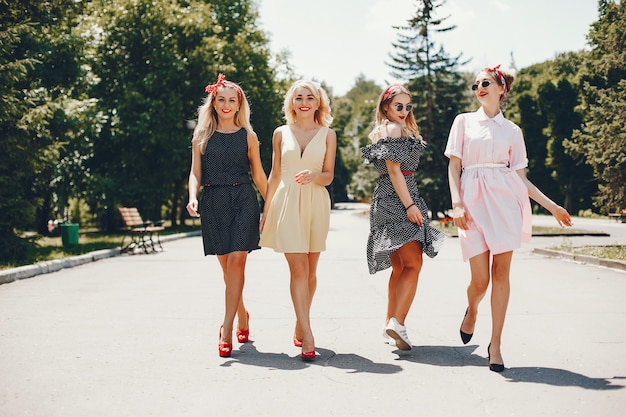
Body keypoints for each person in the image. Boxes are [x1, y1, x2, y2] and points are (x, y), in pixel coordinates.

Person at [445, 65, 572, 372]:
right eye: (476, 85)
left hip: (504, 204)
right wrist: (457, 204)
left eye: (485, 83)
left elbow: (520, 179)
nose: (479, 88)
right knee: (480, 280)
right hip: (472, 204)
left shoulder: (513, 131)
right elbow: (454, 167)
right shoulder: (463, 122)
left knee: (501, 274)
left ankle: (496, 344)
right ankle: (472, 309)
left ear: (502, 89)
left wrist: (553, 207)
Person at [187, 74, 267, 358]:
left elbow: (258, 174)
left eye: (231, 100)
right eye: (221, 99)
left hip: (243, 199)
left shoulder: (249, 136)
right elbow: (195, 172)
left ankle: (227, 326)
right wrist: (192, 196)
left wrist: (270, 204)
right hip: (213, 201)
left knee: (236, 263)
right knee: (227, 268)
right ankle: (242, 313)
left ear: (239, 104)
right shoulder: (202, 135)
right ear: (213, 102)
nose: (226, 104)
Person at [361, 84, 445, 351]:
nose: (404, 111)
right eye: (399, 106)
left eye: (408, 106)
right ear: (385, 106)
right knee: (413, 265)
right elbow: (396, 171)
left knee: (399, 268)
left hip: (382, 199)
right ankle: (398, 322)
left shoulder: (380, 132)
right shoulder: (395, 130)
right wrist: (410, 205)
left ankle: (389, 322)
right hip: (400, 197)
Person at [259, 80, 336, 361]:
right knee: (298, 270)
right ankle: (308, 332)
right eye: (298, 97)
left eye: (310, 97)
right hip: (287, 203)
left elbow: (329, 175)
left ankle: (299, 321)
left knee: (311, 272)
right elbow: (274, 175)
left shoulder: (328, 134)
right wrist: (266, 211)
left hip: (316, 203)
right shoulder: (280, 133)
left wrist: (316, 177)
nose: (304, 101)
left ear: (318, 103)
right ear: (292, 103)